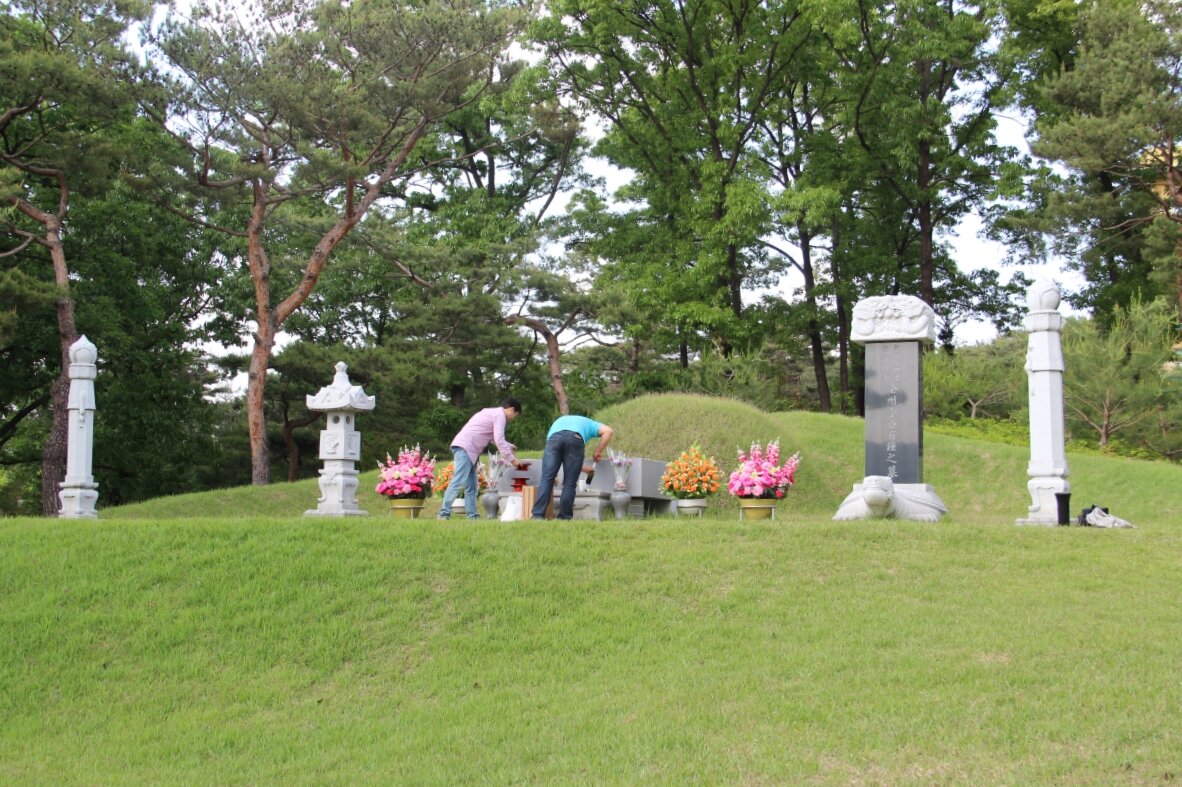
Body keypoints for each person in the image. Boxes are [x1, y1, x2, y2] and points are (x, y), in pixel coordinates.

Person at [438, 397, 528, 520]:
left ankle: (473, 516)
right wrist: (513, 460)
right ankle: (443, 514)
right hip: (466, 448)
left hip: (469, 449)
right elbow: (499, 440)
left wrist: (509, 446)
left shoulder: (491, 412)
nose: (513, 418)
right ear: (511, 410)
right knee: (458, 481)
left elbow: (494, 438)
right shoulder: (500, 416)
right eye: (515, 415)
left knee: (472, 485)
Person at [531, 414, 614, 520]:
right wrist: (598, 451)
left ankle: (537, 516)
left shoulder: (558, 423)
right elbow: (608, 431)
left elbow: (560, 459)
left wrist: (582, 468)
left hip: (554, 439)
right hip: (576, 438)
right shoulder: (591, 424)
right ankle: (564, 518)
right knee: (569, 483)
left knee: (547, 479)